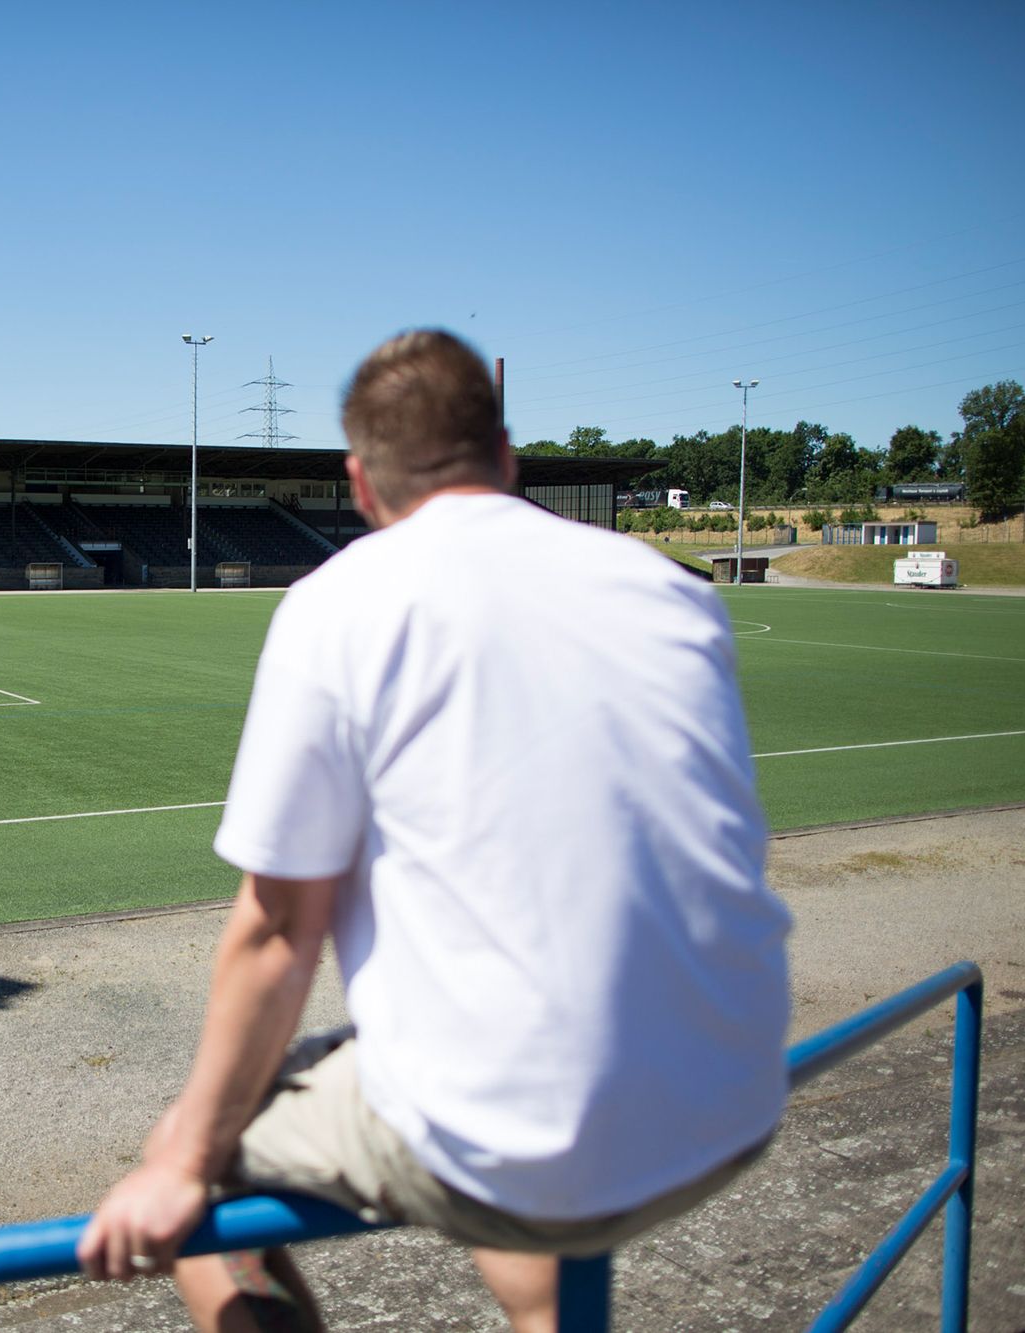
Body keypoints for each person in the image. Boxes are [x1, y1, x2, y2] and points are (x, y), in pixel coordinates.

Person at [77, 330, 792, 1332]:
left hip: (525, 1135)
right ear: (504, 458)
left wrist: (177, 1161)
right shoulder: (672, 589)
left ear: (358, 486)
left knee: (205, 1188)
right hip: (730, 1099)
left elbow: (279, 931)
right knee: (495, 1126)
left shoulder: (340, 604)